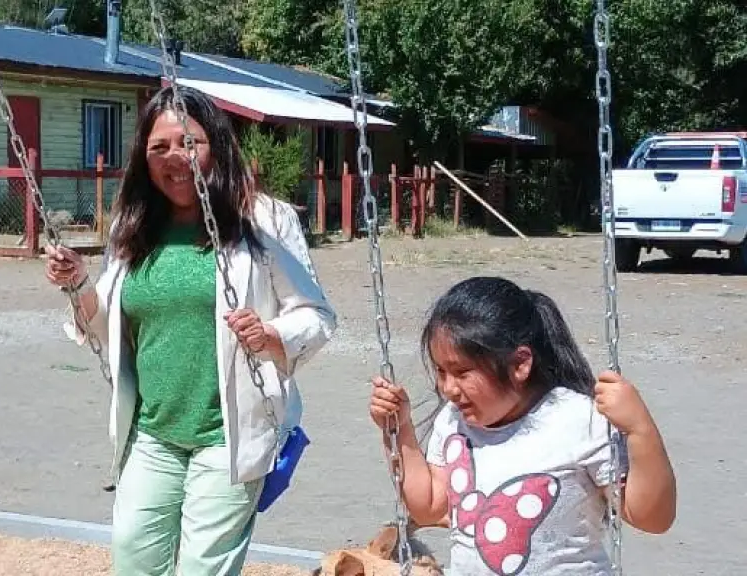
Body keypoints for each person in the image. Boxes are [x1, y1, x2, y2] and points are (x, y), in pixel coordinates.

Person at [44, 85, 337, 576]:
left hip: (229, 436)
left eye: (189, 143)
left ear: (216, 146)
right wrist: (77, 284)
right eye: (160, 147)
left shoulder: (262, 219)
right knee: (134, 559)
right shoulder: (133, 225)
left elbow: (316, 314)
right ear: (144, 156)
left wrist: (270, 334)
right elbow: (107, 329)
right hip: (152, 432)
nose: (174, 157)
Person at [368, 276, 677, 575]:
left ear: (519, 364)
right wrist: (400, 431)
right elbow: (430, 508)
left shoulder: (577, 419)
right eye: (441, 372)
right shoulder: (453, 420)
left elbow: (652, 518)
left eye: (462, 372)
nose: (448, 387)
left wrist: (640, 431)